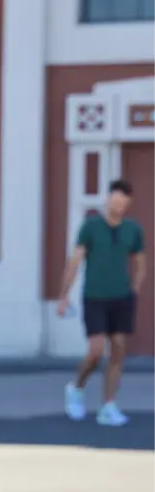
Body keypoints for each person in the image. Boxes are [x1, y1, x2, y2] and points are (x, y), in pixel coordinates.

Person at [57, 179, 146, 427]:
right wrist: (63, 295)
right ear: (108, 199)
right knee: (96, 351)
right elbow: (75, 261)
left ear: (128, 204)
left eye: (123, 202)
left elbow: (141, 263)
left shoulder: (133, 230)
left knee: (118, 349)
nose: (118, 205)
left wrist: (134, 290)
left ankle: (108, 405)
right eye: (115, 200)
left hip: (122, 298)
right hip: (95, 296)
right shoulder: (91, 227)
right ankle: (76, 388)